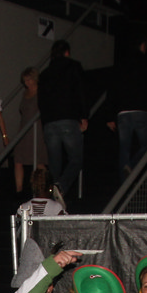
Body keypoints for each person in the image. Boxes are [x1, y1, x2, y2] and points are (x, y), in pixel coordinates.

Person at [37, 39, 89, 198]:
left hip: (50, 121)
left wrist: (45, 122)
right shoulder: (73, 66)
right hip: (68, 117)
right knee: (76, 159)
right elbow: (81, 91)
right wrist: (84, 116)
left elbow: (41, 101)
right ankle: (61, 186)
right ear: (67, 52)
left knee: (54, 164)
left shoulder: (45, 74)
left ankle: (53, 196)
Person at [106, 44, 147, 177]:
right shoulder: (145, 62)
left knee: (124, 149)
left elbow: (112, 90)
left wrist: (110, 116)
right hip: (140, 109)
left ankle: (124, 181)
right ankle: (131, 165)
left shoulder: (120, 64)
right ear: (142, 46)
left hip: (123, 111)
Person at [12, 67, 47, 194]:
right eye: (25, 80)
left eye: (29, 80)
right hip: (24, 128)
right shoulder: (25, 93)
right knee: (18, 159)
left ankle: (42, 187)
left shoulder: (41, 92)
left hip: (37, 128)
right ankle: (19, 190)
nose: (27, 83)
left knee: (38, 159)